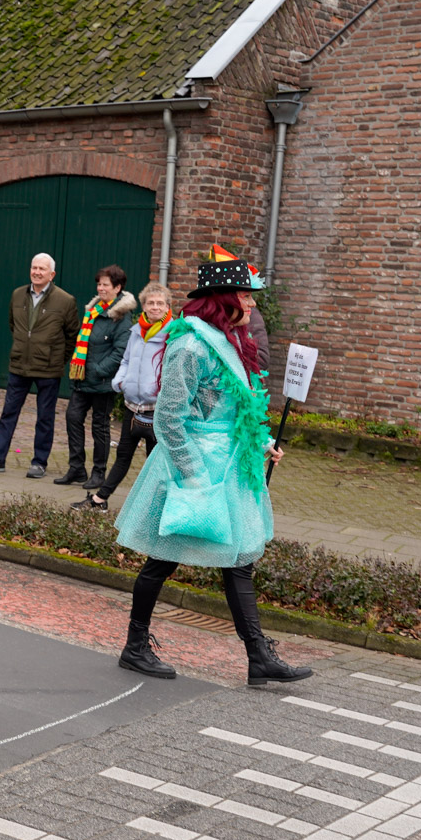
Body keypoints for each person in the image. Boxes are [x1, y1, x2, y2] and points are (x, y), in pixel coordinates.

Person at [113, 252, 310, 686]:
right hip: (194, 469)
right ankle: (135, 646)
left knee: (239, 559)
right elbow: (168, 419)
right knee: (162, 559)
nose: (252, 303)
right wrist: (193, 477)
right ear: (224, 299)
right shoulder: (190, 345)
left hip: (231, 467)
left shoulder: (231, 340)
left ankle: (259, 656)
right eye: (245, 295)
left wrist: (262, 442)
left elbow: (235, 407)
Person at [0, 253, 77, 478]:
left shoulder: (65, 300)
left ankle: (39, 463)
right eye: (34, 267)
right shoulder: (17, 294)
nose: (37, 272)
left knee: (45, 418)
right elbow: (14, 326)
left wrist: (57, 359)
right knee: (8, 414)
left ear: (52, 274)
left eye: (42, 269)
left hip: (48, 369)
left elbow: (72, 335)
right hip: (19, 365)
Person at [82, 281, 172, 512]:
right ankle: (100, 500)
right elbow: (126, 360)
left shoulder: (173, 334)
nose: (155, 307)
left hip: (156, 409)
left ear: (167, 306)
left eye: (160, 303)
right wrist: (120, 381)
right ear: (144, 306)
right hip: (133, 406)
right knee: (123, 455)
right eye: (150, 303)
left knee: (154, 462)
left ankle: (154, 508)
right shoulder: (136, 332)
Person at [53, 265, 135, 488]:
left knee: (100, 427)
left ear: (117, 288)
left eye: (105, 285)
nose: (100, 288)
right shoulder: (94, 310)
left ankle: (99, 473)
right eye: (99, 284)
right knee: (73, 418)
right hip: (82, 379)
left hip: (102, 382)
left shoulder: (121, 316)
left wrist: (99, 371)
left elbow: (121, 351)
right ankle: (76, 468)